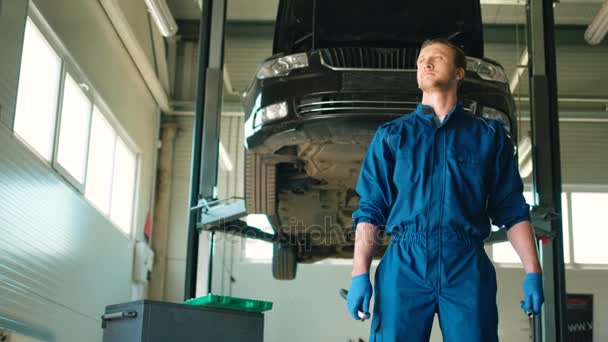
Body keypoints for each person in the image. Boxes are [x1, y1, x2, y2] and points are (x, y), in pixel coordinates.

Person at [345, 39, 545, 342]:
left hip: (465, 265)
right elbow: (372, 208)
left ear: (459, 73)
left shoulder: (489, 137)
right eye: (421, 60)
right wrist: (359, 273)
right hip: (404, 265)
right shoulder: (392, 136)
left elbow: (512, 209)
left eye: (436, 58)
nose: (426, 64)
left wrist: (533, 271)